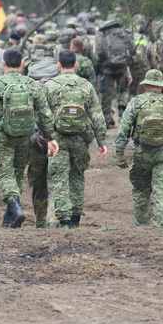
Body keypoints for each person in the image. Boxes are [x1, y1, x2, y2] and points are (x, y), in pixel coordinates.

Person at [0, 48, 59, 228]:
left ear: (3, 63)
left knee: (5, 172)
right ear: (21, 64)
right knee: (17, 172)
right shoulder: (31, 84)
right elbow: (44, 114)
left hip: (3, 135)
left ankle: (14, 205)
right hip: (26, 135)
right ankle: (10, 218)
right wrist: (50, 137)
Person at [115, 69, 163, 228]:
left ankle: (142, 228)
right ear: (161, 86)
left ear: (146, 85)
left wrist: (120, 154)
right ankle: (161, 228)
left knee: (141, 190)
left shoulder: (135, 102)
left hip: (141, 154)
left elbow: (123, 130)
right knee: (161, 191)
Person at [43, 50, 108, 227]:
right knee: (77, 176)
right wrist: (101, 142)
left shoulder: (50, 86)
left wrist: (47, 138)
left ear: (58, 65)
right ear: (76, 65)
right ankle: (75, 218)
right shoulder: (86, 86)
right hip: (81, 139)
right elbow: (96, 115)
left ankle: (63, 218)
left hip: (58, 140)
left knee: (59, 178)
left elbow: (43, 114)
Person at [96, 18, 135, 126]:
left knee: (107, 93)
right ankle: (122, 107)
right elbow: (132, 49)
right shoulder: (125, 32)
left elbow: (99, 51)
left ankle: (108, 118)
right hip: (123, 65)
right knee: (124, 89)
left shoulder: (104, 33)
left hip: (108, 67)